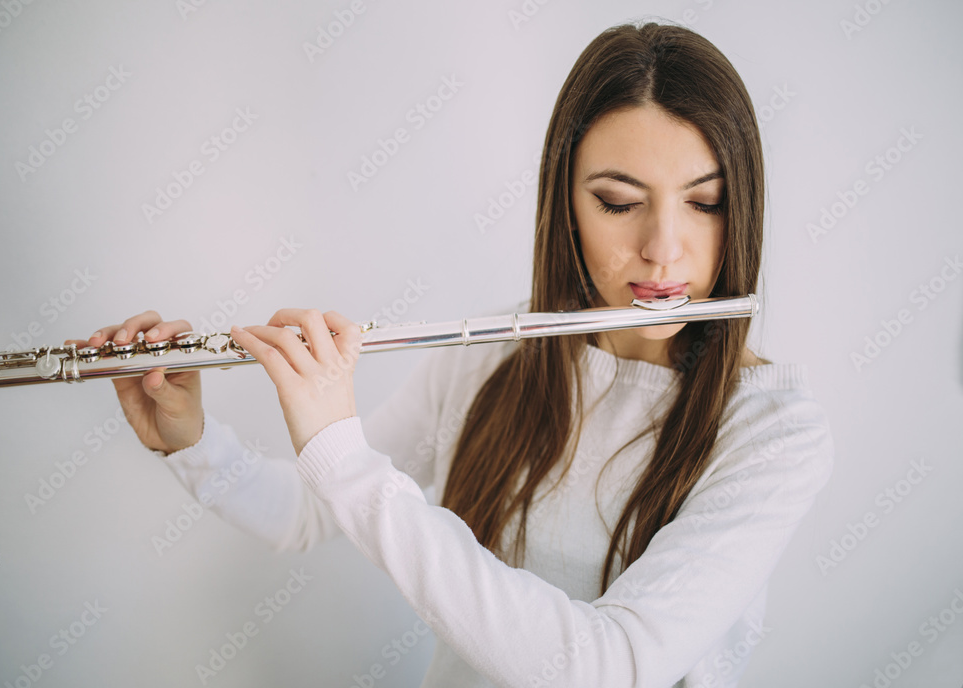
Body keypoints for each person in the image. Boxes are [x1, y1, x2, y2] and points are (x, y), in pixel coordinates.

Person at [73, 21, 834, 688]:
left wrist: (344, 455)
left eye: (705, 202)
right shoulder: (492, 354)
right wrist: (193, 443)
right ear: (564, 205)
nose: (664, 248)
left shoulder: (774, 432)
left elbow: (609, 664)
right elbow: (308, 510)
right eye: (618, 201)